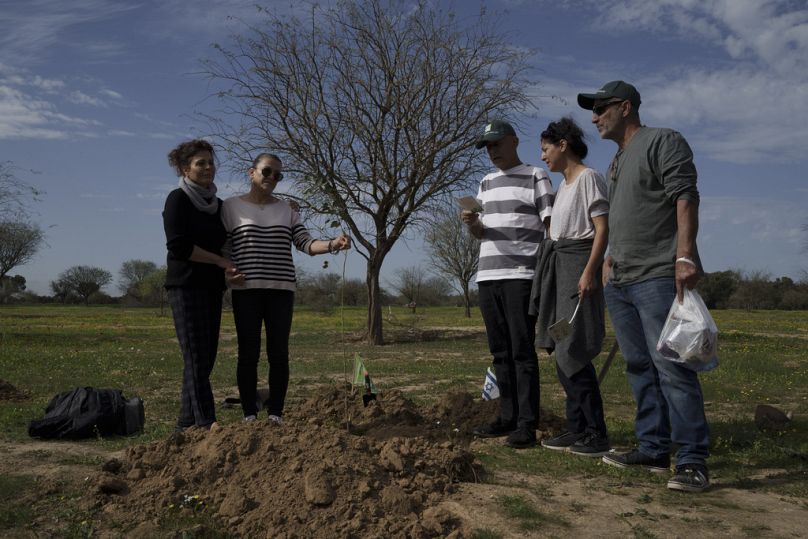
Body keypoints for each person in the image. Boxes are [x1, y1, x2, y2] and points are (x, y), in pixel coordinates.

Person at [577, 80, 710, 492]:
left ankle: (692, 460)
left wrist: (684, 255)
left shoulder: (662, 141)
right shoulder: (616, 161)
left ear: (626, 107)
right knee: (639, 367)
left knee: (672, 367)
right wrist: (609, 258)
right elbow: (624, 215)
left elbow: (685, 197)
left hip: (658, 274)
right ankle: (653, 447)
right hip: (621, 280)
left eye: (601, 109)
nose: (595, 117)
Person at [221, 153, 351, 424]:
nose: (272, 178)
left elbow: (304, 242)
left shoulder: (287, 210)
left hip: (281, 290)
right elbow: (223, 247)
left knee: (278, 353)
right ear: (252, 172)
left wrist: (331, 244)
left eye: (278, 175)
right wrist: (226, 273)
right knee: (248, 352)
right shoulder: (230, 207)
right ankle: (249, 415)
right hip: (246, 291)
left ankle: (276, 414)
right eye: (267, 171)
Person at [463, 120, 553, 449]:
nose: (492, 151)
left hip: (521, 276)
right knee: (500, 352)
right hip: (487, 275)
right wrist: (473, 223)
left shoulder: (535, 176)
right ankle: (507, 416)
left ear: (514, 141)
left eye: (497, 143)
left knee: (522, 351)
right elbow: (480, 233)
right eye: (487, 146)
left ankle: (527, 424)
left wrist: (549, 272)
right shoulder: (485, 183)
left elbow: (550, 223)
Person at [531, 117, 610, 457]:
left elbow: (602, 229)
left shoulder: (588, 178)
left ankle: (595, 433)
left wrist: (591, 271)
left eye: (546, 149)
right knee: (558, 343)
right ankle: (576, 427)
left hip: (578, 269)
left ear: (563, 145)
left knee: (572, 347)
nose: (543, 157)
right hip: (558, 270)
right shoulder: (563, 185)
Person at [163, 139, 239, 431]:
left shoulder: (218, 205)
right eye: (200, 163)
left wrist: (229, 267)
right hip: (185, 285)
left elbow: (228, 241)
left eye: (210, 162)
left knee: (204, 358)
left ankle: (185, 423)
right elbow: (179, 246)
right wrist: (220, 262)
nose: (208, 168)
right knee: (195, 356)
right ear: (185, 169)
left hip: (211, 288)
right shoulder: (177, 199)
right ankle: (207, 422)